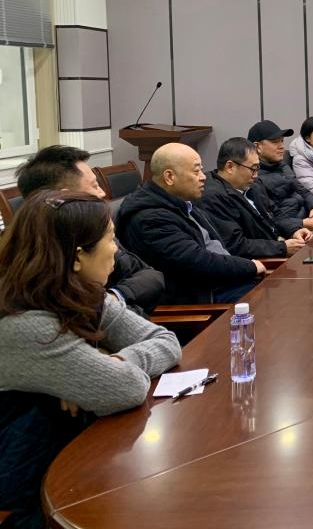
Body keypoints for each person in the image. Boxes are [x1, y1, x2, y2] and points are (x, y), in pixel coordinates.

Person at [0, 192, 181, 528]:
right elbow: (125, 389)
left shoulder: (82, 294)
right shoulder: (25, 325)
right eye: (110, 239)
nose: (117, 250)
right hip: (29, 492)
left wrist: (108, 360)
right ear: (77, 256)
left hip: (77, 456)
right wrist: (96, 371)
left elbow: (166, 341)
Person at [15, 145, 165, 315]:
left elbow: (150, 277)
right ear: (65, 197)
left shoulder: (96, 232)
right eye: (95, 186)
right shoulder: (32, 264)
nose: (102, 193)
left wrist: (115, 297)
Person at [117, 143, 266, 304]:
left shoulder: (180, 201)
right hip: (201, 299)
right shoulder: (150, 218)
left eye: (201, 170)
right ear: (169, 177)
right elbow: (198, 262)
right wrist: (249, 266)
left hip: (221, 283)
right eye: (196, 171)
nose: (203, 177)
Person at [198, 138, 313, 260]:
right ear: (230, 166)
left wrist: (294, 230)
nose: (256, 175)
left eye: (257, 168)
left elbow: (275, 215)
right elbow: (236, 245)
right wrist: (282, 248)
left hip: (275, 247)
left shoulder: (253, 184)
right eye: (253, 169)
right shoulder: (212, 197)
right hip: (258, 261)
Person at [247, 120, 313, 234]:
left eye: (282, 141)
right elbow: (270, 218)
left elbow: (303, 191)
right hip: (291, 230)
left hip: (308, 217)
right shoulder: (252, 177)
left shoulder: (282, 166)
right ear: (257, 146)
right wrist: (302, 223)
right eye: (275, 142)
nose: (282, 146)